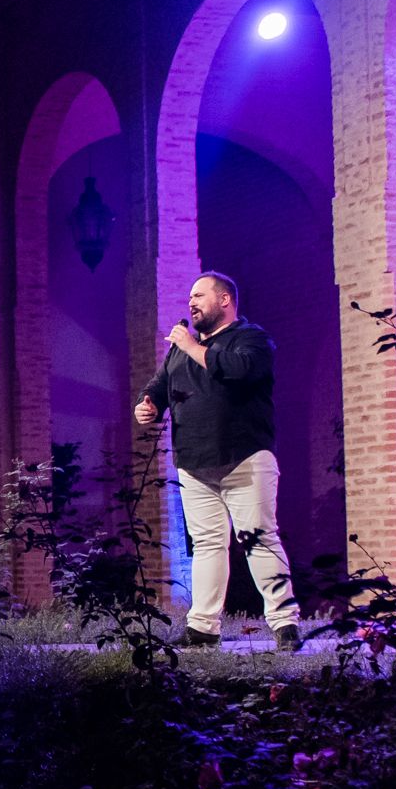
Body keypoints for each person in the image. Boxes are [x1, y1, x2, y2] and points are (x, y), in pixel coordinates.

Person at [135, 270, 302, 651]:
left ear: (225, 300)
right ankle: (203, 629)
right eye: (190, 298)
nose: (191, 302)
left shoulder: (252, 339)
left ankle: (284, 624)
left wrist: (192, 346)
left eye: (199, 296)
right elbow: (159, 385)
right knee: (208, 544)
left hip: (244, 458)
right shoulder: (182, 347)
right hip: (194, 462)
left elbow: (238, 372)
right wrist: (146, 405)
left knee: (258, 539)